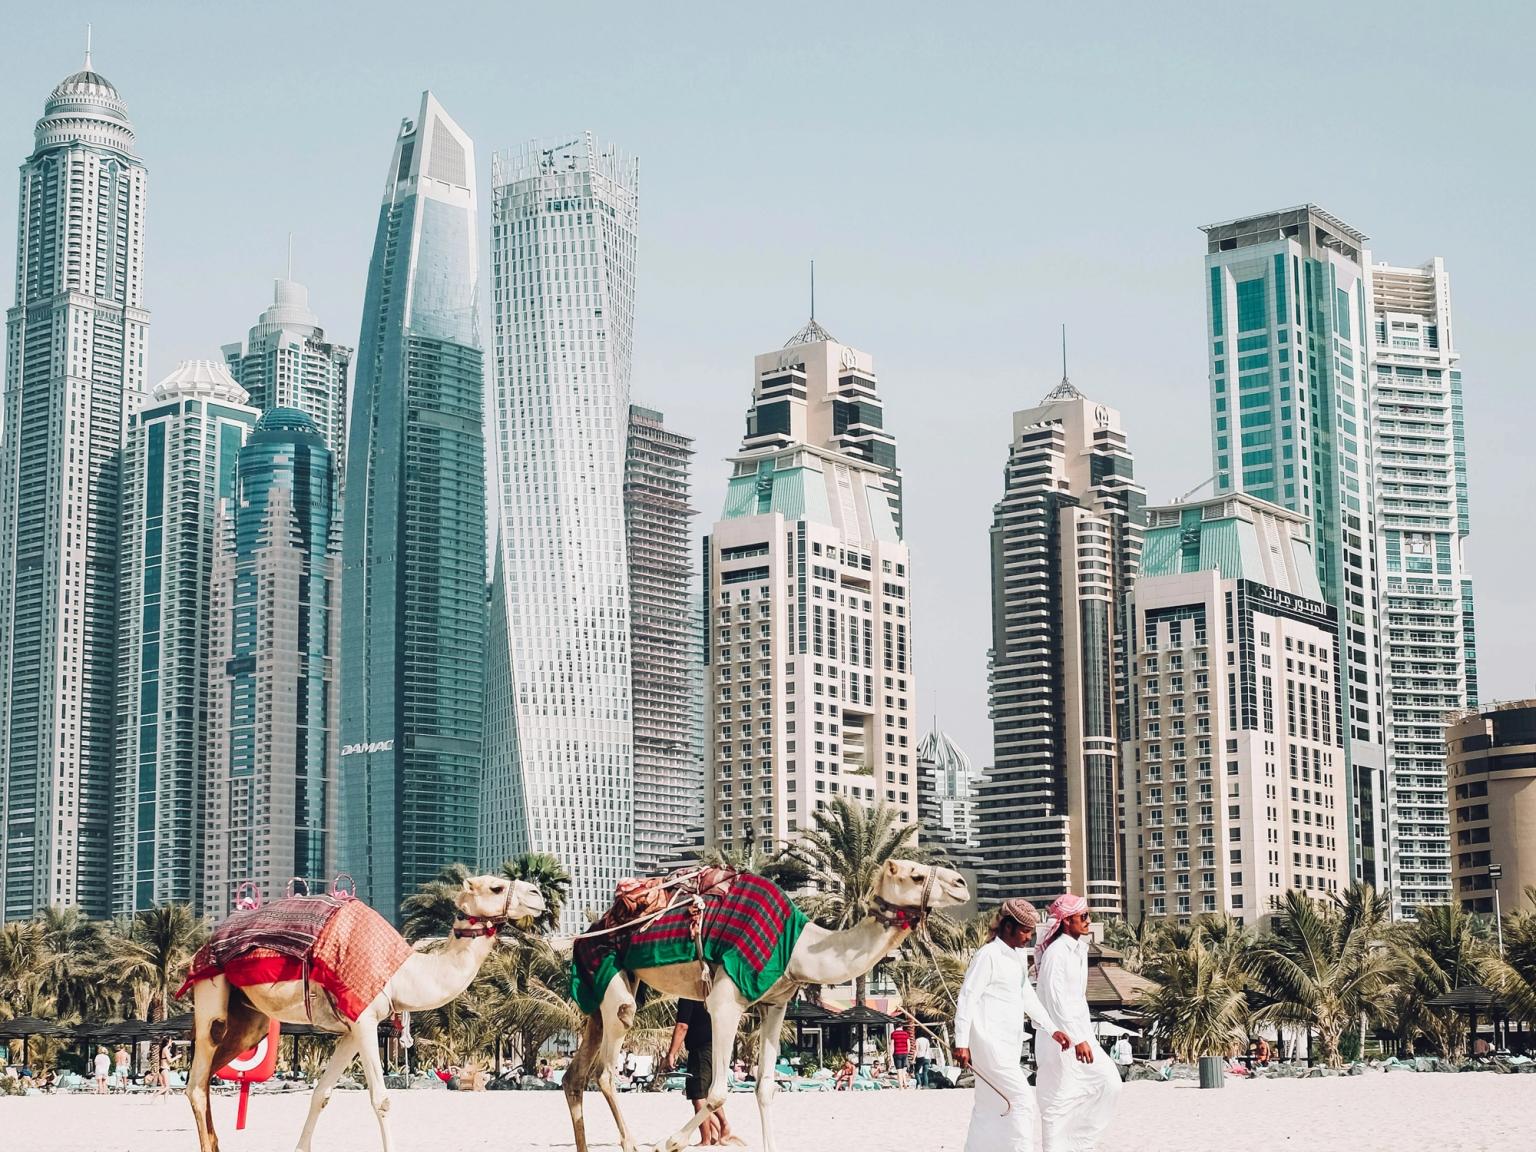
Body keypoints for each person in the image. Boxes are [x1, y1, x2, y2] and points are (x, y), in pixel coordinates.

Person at [953, 898, 1071, 1152]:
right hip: (988, 1044)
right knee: (1022, 1101)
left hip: (1009, 1044)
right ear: (1008, 927)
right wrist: (961, 1042)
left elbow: (1026, 996)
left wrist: (1052, 1028)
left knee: (988, 1107)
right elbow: (967, 997)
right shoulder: (987, 955)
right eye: (1025, 931)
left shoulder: (1017, 956)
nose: (1028, 937)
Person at [1034, 894, 1122, 1152]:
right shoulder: (1056, 953)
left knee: (1109, 1084)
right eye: (1083, 916)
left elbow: (1075, 999)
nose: (1088, 921)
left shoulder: (1078, 950)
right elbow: (1055, 1000)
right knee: (1057, 1100)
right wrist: (1077, 1039)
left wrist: (1084, 1036)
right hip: (1060, 1038)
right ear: (1065, 921)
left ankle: (1079, 1145)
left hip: (1082, 1033)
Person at [666, 999, 742, 1147]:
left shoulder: (688, 996)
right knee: (708, 1092)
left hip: (701, 1048)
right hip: (715, 1045)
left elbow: (682, 1026)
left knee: (698, 1096)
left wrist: (671, 1053)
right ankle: (717, 1131)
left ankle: (706, 1139)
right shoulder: (709, 993)